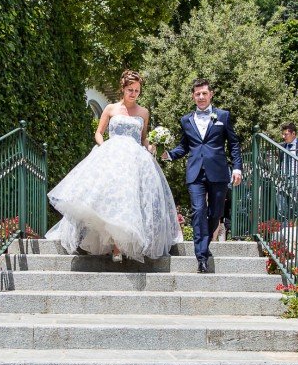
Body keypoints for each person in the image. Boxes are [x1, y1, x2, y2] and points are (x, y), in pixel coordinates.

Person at [47, 70, 182, 262]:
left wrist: (153, 146)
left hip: (134, 160)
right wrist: (104, 147)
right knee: (108, 197)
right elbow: (98, 133)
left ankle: (121, 246)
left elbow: (143, 138)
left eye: (137, 90)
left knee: (129, 198)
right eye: (130, 90)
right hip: (112, 156)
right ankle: (109, 243)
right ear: (123, 89)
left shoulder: (144, 112)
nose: (133, 93)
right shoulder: (111, 108)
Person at [162, 78, 243, 273]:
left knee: (215, 213)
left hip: (218, 172)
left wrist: (237, 168)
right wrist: (169, 155)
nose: (201, 97)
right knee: (198, 211)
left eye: (204, 93)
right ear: (193, 96)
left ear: (211, 94)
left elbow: (233, 143)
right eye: (197, 94)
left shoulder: (223, 116)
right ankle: (201, 257)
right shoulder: (186, 120)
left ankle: (204, 246)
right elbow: (184, 146)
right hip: (195, 172)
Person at [276, 122, 298, 220]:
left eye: (286, 134)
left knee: (296, 202)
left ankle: (297, 221)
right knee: (280, 200)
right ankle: (284, 221)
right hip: (283, 177)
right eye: (283, 134)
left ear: (293, 133)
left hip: (296, 177)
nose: (283, 136)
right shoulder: (282, 146)